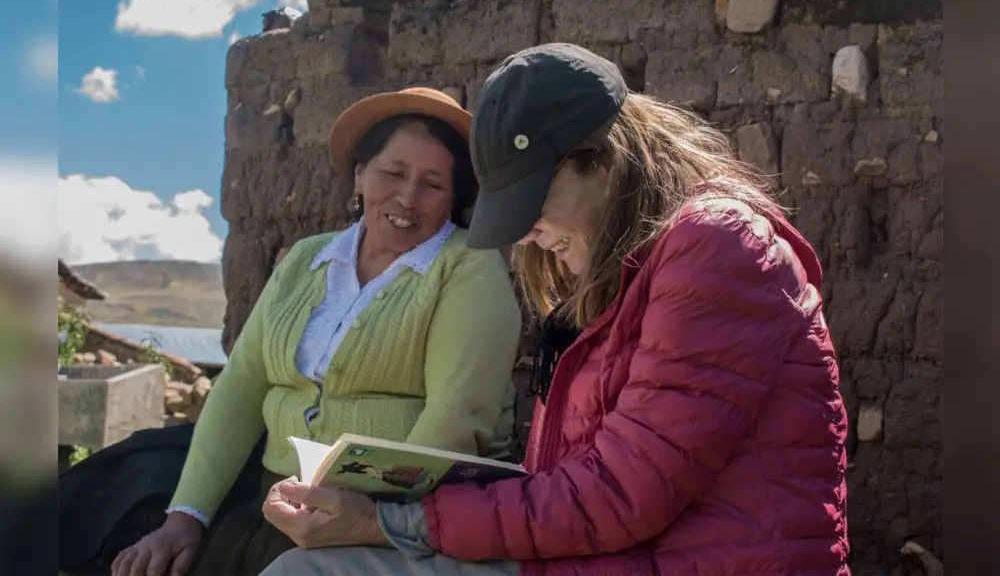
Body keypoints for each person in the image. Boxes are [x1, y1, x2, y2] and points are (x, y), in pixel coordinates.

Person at [258, 43, 850, 576]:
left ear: (601, 158)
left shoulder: (716, 248)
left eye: (532, 199)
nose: (530, 232)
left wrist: (390, 525)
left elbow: (623, 493)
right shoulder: (624, 264)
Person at [103, 87, 524, 576]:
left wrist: (364, 518)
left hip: (394, 514)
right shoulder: (308, 258)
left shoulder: (468, 267)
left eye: (433, 184)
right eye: (393, 173)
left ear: (455, 198)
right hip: (281, 502)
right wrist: (186, 517)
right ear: (360, 175)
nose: (408, 197)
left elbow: (454, 419)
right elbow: (240, 386)